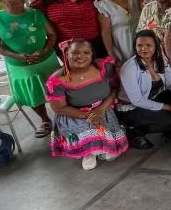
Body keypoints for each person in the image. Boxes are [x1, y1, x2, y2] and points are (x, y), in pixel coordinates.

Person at [0, 0, 60, 137]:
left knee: (58, 90)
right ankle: (45, 120)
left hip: (46, 59)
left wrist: (44, 50)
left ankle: (62, 118)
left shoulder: (35, 14)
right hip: (20, 64)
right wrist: (16, 56)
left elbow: (52, 34)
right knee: (32, 93)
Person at [46, 40, 127, 170]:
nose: (81, 56)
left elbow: (115, 89)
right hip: (74, 114)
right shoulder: (57, 80)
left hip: (103, 109)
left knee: (109, 152)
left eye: (86, 52)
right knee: (88, 134)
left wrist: (100, 109)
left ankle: (98, 148)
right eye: (75, 52)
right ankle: (88, 154)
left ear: (91, 55)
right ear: (66, 54)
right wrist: (88, 115)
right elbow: (58, 108)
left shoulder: (104, 67)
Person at [116, 30, 171, 150]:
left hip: (151, 99)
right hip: (132, 109)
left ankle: (166, 127)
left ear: (156, 46)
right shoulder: (130, 68)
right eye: (139, 45)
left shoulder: (160, 60)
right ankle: (134, 131)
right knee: (168, 117)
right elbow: (137, 100)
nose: (144, 48)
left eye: (148, 45)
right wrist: (168, 107)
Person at [33, 0, 106, 57]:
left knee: (100, 69)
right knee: (75, 70)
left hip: (95, 44)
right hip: (67, 47)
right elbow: (32, 12)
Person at [96, 0, 141, 64]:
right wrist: (111, 53)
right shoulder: (103, 5)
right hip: (121, 42)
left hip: (141, 37)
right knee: (128, 68)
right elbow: (106, 32)